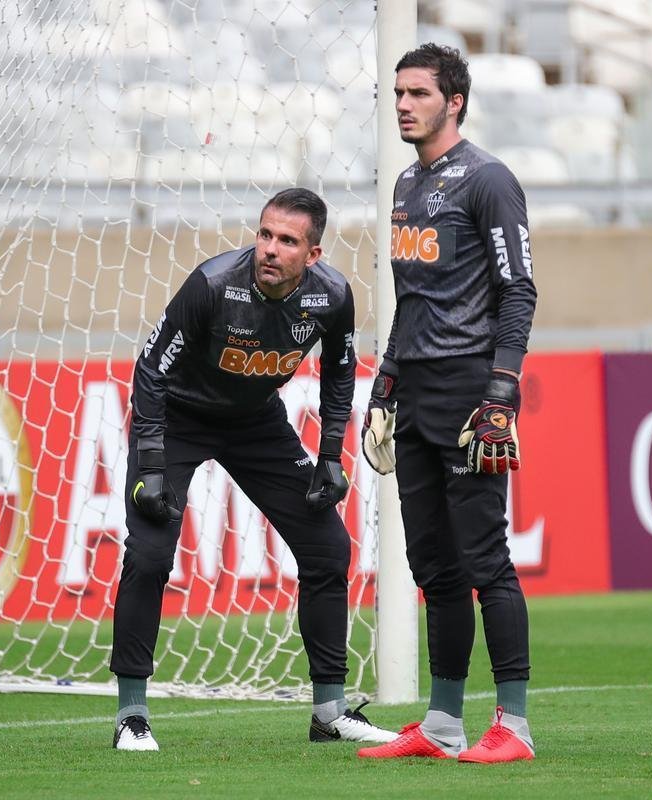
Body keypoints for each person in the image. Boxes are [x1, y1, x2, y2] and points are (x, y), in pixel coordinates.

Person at [109, 187, 396, 752]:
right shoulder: (212, 284)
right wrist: (149, 464)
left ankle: (329, 713)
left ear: (312, 255)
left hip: (254, 422)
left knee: (329, 550)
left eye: (287, 241)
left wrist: (330, 457)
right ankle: (131, 715)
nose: (269, 248)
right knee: (148, 554)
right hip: (178, 420)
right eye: (265, 234)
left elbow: (340, 374)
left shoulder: (333, 296)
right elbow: (150, 371)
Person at [357, 44, 539, 764]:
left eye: (419, 93)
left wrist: (501, 389)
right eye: (398, 92)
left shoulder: (490, 180)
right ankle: (441, 724)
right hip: (418, 390)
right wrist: (386, 382)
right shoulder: (406, 183)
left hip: (470, 388)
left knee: (486, 558)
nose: (403, 103)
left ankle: (515, 725)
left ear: (454, 101)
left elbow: (518, 289)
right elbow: (413, 299)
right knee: (434, 567)